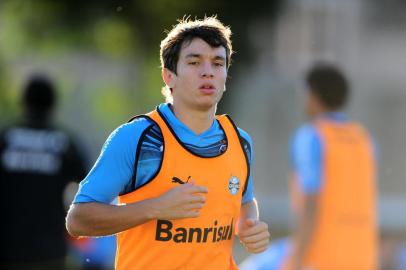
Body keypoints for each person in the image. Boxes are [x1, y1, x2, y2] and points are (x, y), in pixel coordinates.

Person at [66, 16, 270, 270]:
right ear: (168, 76)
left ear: (226, 75)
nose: (208, 71)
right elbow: (78, 220)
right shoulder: (138, 138)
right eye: (194, 62)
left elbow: (244, 201)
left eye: (218, 63)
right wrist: (154, 208)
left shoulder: (240, 142)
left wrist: (249, 224)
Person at [240, 62, 378, 270]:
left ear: (312, 95)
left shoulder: (311, 136)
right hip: (363, 257)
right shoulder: (364, 139)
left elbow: (311, 202)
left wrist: (296, 261)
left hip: (320, 257)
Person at [0, 75, 88, 270]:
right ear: (52, 104)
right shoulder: (64, 144)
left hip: (7, 249)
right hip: (50, 250)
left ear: (23, 102)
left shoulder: (5, 139)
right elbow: (88, 188)